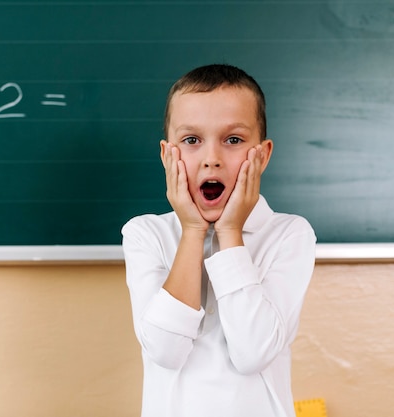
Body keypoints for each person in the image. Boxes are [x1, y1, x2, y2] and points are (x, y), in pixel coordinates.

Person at [121, 64, 316, 417]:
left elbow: (253, 353)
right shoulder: (145, 233)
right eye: (192, 140)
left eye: (233, 140)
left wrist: (230, 233)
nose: (211, 159)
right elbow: (165, 351)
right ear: (168, 155)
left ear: (264, 154)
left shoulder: (290, 234)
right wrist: (193, 231)